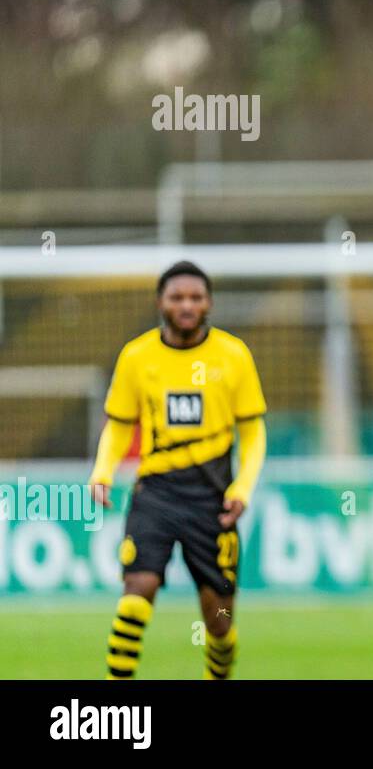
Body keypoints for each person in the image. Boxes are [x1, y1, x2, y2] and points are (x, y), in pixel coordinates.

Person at [89, 260, 267, 680]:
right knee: (138, 589)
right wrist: (102, 472)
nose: (186, 305)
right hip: (156, 493)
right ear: (161, 302)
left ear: (208, 303)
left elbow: (254, 433)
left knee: (219, 619)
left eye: (195, 297)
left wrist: (242, 487)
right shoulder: (137, 356)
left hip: (214, 502)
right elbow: (118, 426)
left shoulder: (233, 355)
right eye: (177, 297)